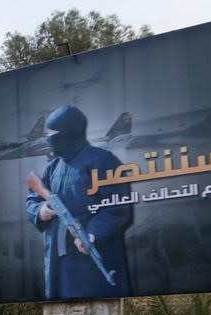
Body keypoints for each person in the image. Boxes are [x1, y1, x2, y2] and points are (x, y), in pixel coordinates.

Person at [25, 105, 132, 300]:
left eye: (53, 135)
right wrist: (41, 209)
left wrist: (92, 233)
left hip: (90, 266)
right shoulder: (52, 167)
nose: (49, 141)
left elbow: (118, 207)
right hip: (56, 265)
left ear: (70, 133)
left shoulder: (103, 161)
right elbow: (33, 198)